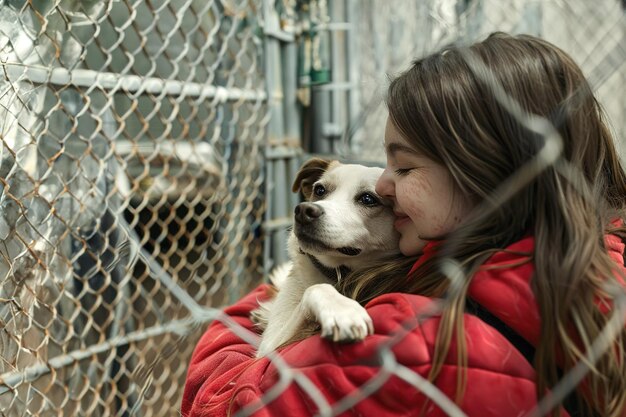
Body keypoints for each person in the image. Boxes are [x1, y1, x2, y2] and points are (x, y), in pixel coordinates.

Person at [181, 32, 626, 417]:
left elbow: (229, 403)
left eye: (405, 168)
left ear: (482, 175)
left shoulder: (419, 337)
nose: (386, 184)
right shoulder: (599, 259)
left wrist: (240, 318)